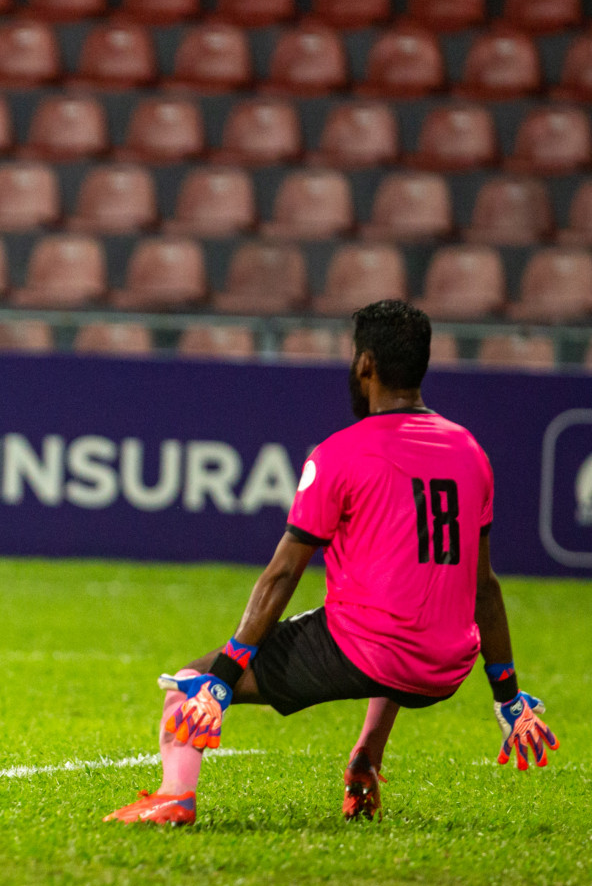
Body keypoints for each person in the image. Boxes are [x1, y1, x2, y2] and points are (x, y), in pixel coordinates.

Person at [106, 300, 559, 824]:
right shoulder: (470, 452)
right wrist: (508, 696)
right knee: (404, 617)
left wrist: (223, 678)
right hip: (444, 666)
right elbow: (484, 588)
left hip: (363, 651)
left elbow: (282, 574)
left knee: (188, 679)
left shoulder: (340, 453)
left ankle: (174, 796)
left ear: (365, 364)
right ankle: (365, 761)